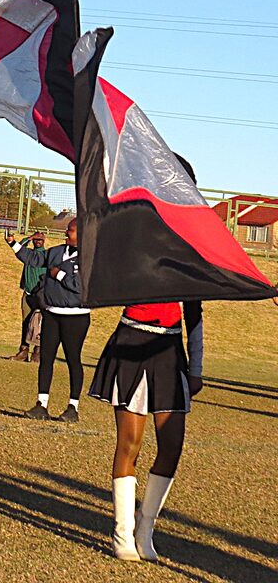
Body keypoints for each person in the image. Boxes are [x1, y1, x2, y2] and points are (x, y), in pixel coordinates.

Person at [87, 157, 207, 562]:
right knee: (130, 443)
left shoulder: (191, 242)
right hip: (132, 344)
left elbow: (195, 311)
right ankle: (121, 534)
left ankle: (146, 529)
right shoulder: (134, 232)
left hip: (170, 351)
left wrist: (196, 366)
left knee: (172, 445)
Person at [9, 220, 89, 423]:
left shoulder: (90, 257)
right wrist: (14, 244)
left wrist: (59, 274)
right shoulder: (56, 252)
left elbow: (80, 287)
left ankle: (72, 407)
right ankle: (41, 404)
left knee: (73, 359)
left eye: (70, 230)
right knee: (46, 358)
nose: (66, 233)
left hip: (76, 317)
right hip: (52, 314)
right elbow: (34, 259)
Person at [9, 232, 47, 362]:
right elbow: (17, 247)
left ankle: (37, 352)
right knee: (26, 322)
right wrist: (29, 238)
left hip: (40, 295)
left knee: (39, 324)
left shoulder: (45, 255)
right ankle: (23, 351)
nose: (38, 241)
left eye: (40, 239)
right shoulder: (27, 254)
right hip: (28, 293)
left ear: (44, 241)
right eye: (36, 239)